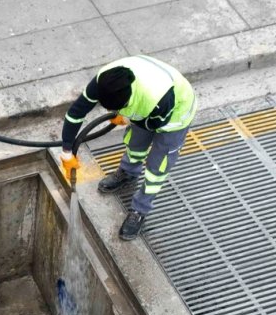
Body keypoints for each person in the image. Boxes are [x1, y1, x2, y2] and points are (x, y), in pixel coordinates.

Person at [60, 55, 197, 241]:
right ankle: (128, 173)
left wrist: (127, 118)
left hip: (174, 115)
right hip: (147, 103)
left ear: (129, 99)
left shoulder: (156, 99)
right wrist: (67, 151)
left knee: (158, 166)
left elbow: (154, 124)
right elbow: (75, 114)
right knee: (135, 144)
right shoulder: (104, 80)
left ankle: (140, 209)